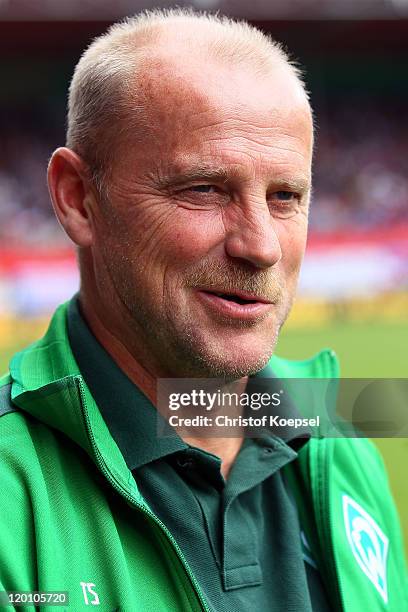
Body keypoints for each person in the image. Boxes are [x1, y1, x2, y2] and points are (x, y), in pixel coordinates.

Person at [0, 9, 406, 612]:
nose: (260, 245)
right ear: (78, 199)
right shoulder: (14, 489)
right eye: (204, 189)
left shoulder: (341, 440)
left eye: (285, 196)